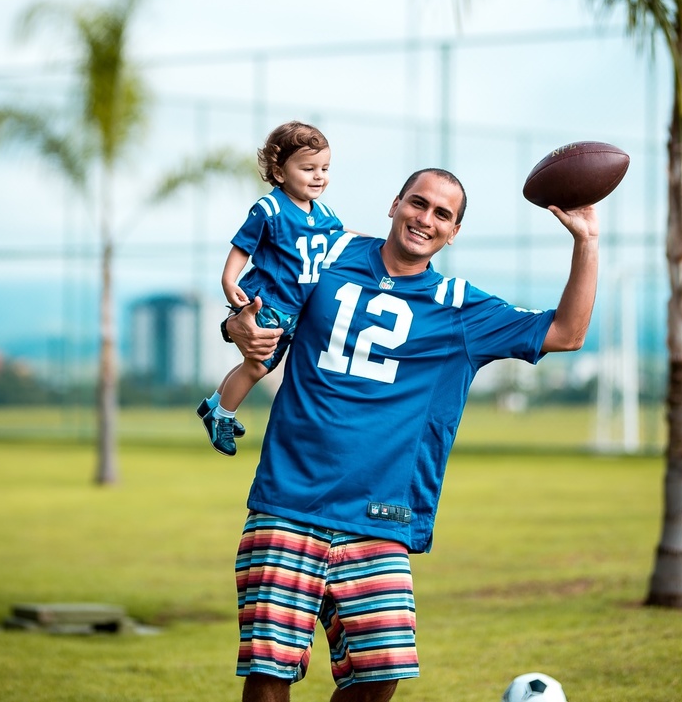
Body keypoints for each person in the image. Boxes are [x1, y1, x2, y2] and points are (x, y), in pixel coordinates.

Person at [224, 168, 599, 702]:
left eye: (442, 214)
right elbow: (253, 309)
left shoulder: (460, 308)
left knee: (379, 678)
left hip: (380, 515)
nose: (426, 218)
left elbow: (568, 332)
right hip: (289, 498)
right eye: (418, 203)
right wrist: (236, 325)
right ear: (395, 203)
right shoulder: (327, 256)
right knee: (269, 672)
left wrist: (586, 240)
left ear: (454, 231)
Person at [197, 121, 344, 456]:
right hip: (267, 303)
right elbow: (242, 246)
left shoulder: (324, 213)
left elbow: (342, 236)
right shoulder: (271, 208)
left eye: (324, 168)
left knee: (260, 364)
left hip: (294, 308)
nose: (318, 176)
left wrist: (375, 243)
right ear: (279, 172)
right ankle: (222, 416)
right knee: (258, 366)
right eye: (308, 168)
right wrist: (228, 280)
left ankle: (215, 405)